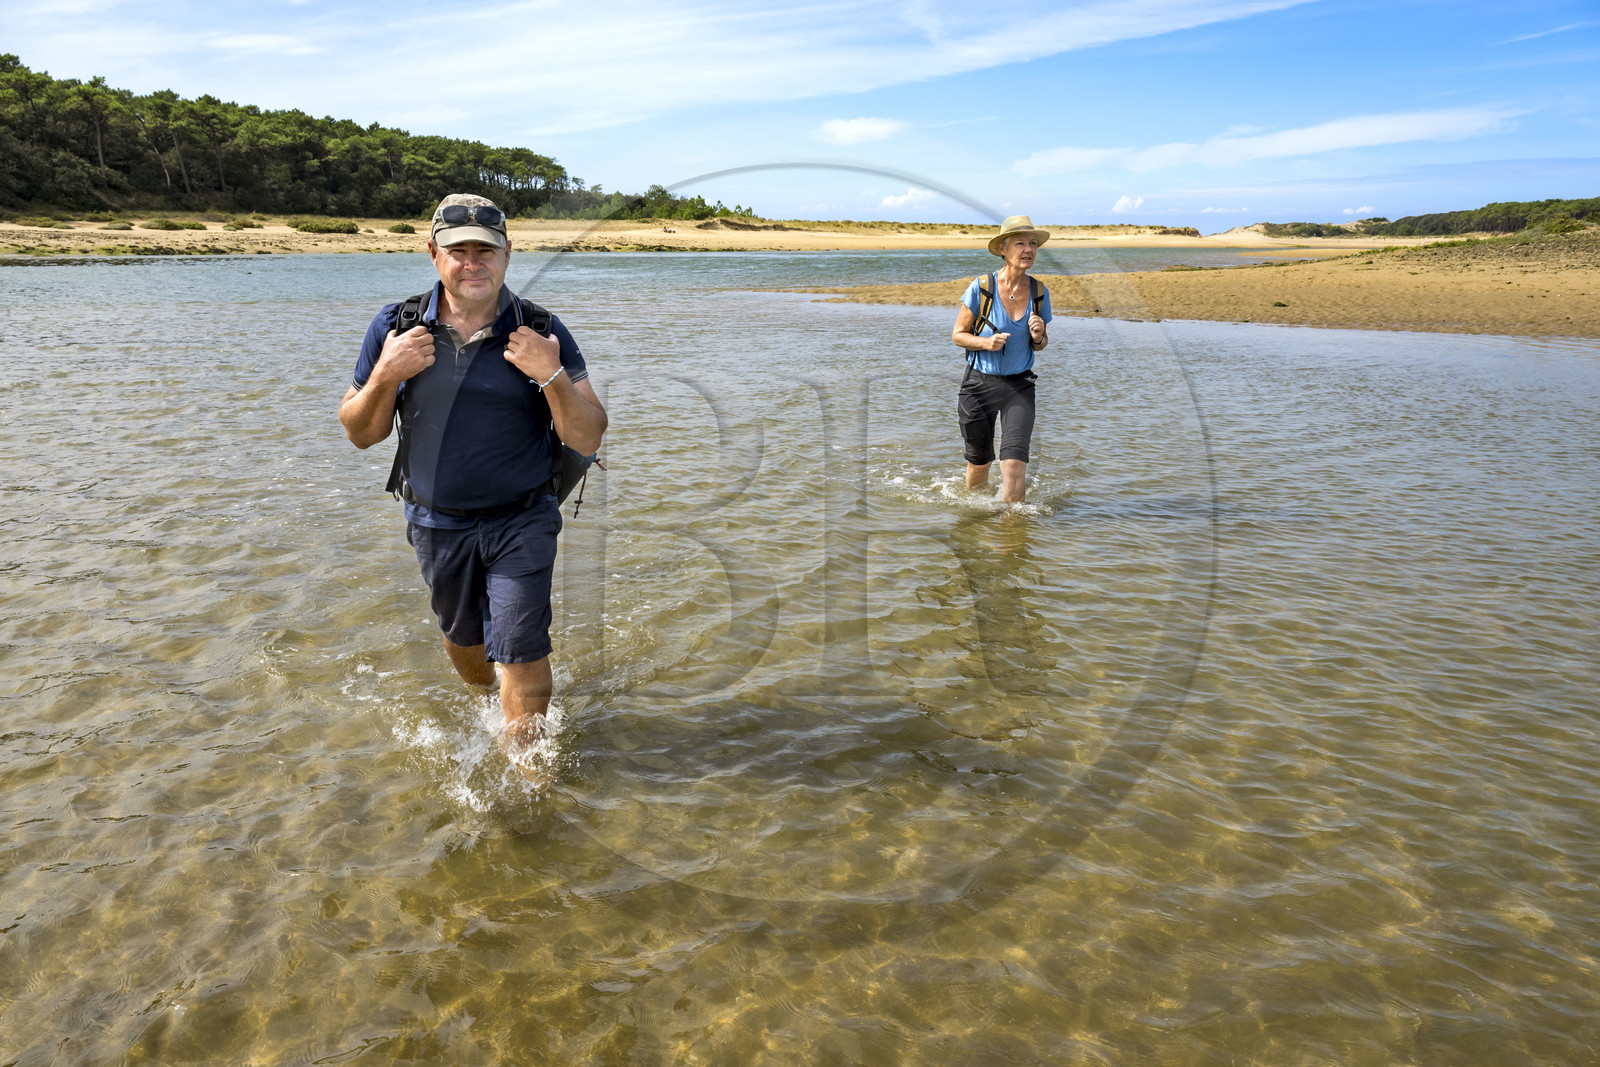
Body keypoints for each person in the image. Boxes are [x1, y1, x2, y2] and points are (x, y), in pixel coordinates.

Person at [339, 193, 608, 749]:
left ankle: (527, 777)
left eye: (484, 251)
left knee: (523, 645)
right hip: (436, 521)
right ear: (433, 253)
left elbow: (587, 433)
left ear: (507, 254)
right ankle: (488, 704)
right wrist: (387, 375)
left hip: (524, 518)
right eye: (458, 251)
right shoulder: (395, 326)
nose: (472, 263)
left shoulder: (541, 327)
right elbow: (361, 433)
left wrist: (551, 374)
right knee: (463, 642)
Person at [950, 215, 1053, 503]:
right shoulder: (982, 288)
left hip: (1019, 387)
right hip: (978, 386)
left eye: (1032, 244)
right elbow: (958, 335)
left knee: (1013, 465)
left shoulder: (1039, 292)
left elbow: (1041, 344)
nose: (1028, 249)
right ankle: (974, 522)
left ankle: (1013, 535)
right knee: (979, 464)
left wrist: (1039, 335)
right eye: (1020, 243)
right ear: (1002, 249)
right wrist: (984, 342)